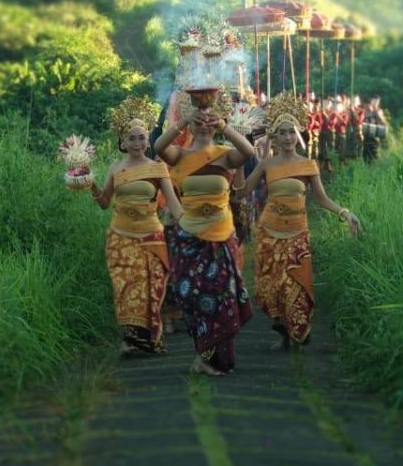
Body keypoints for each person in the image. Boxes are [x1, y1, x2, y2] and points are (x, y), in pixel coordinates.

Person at [236, 91, 361, 350]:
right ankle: (283, 333)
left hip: (297, 233)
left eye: (291, 132)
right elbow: (241, 193)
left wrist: (345, 213)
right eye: (282, 132)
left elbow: (323, 199)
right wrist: (238, 162)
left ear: (298, 133)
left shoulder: (308, 165)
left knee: (298, 283)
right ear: (275, 136)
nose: (288, 137)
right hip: (269, 233)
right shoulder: (266, 164)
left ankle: (299, 331)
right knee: (272, 286)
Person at [154, 91, 256, 376]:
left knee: (220, 298)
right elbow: (159, 145)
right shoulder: (180, 155)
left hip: (221, 236)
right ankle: (202, 354)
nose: (204, 125)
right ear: (192, 125)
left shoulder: (225, 155)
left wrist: (225, 126)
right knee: (193, 298)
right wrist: (185, 118)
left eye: (208, 122)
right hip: (188, 237)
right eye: (199, 121)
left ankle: (214, 360)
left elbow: (248, 153)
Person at [90, 96, 185, 356]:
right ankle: (130, 340)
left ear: (148, 140)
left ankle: (148, 339)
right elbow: (104, 202)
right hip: (120, 238)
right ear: (122, 141)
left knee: (151, 289)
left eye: (142, 137)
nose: (137, 143)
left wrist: (192, 224)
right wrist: (89, 184)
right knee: (125, 288)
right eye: (132, 138)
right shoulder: (115, 168)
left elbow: (175, 206)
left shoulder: (158, 168)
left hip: (151, 237)